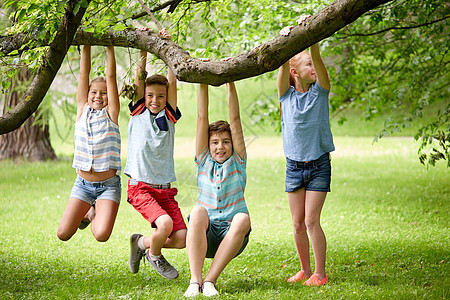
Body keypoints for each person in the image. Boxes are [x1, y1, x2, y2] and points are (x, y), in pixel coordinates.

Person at [184, 63, 251, 297]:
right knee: (198, 210)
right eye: (215, 142)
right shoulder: (203, 160)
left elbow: (235, 118)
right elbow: (202, 117)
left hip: (233, 235)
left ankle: (210, 281)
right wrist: (202, 79)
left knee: (243, 217)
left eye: (225, 141)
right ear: (208, 145)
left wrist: (230, 80)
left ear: (232, 145)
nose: (220, 146)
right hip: (207, 232)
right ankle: (195, 281)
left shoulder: (238, 161)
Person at [277, 15, 334, 287]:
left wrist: (311, 39)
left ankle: (320, 274)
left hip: (318, 165)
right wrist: (287, 40)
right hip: (294, 167)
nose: (313, 67)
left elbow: (320, 63)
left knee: (311, 220)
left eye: (313, 63)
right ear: (294, 71)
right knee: (297, 223)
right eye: (307, 64)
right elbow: (280, 64)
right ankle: (304, 269)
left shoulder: (320, 92)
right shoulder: (286, 96)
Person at [126, 28, 187, 280]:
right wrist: (144, 47)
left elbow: (172, 83)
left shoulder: (169, 116)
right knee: (165, 225)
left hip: (164, 188)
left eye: (160, 96)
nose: (155, 100)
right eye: (150, 95)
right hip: (140, 186)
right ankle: (154, 255)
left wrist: (170, 47)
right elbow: (140, 78)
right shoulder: (139, 111)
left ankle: (141, 244)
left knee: (182, 238)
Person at [57, 45, 121, 243]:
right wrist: (86, 44)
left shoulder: (111, 114)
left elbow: (111, 77)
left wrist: (110, 47)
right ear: (87, 94)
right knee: (63, 234)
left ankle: (92, 212)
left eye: (103, 93)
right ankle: (90, 210)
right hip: (82, 185)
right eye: (94, 92)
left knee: (101, 235)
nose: (98, 97)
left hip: (108, 186)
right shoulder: (81, 110)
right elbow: (83, 73)